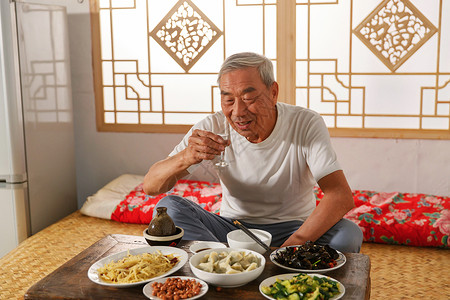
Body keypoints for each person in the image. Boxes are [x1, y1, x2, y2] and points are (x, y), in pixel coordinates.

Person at [143, 52, 363, 253]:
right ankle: (221, 261)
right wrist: (186, 156)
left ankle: (231, 265)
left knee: (348, 235)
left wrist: (291, 247)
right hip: (232, 229)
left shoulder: (305, 123)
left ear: (273, 92)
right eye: (228, 99)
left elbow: (340, 196)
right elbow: (151, 187)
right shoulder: (213, 126)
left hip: (296, 228)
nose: (238, 112)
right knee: (168, 207)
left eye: (249, 98)